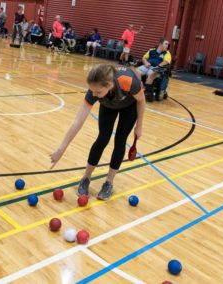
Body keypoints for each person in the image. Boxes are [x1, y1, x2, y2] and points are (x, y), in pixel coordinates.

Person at [50, 64, 145, 200]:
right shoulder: (94, 90)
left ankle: (109, 182)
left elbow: (141, 101)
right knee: (102, 138)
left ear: (109, 85)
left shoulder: (127, 81)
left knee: (120, 140)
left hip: (129, 107)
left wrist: (139, 125)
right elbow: (78, 121)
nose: (94, 95)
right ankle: (85, 178)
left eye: (98, 92)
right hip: (108, 105)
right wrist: (61, 149)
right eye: (92, 91)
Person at [136, 37, 171, 101]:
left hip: (158, 68)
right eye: (165, 44)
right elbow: (144, 58)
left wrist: (158, 66)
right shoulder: (151, 50)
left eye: (167, 44)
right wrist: (146, 63)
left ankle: (147, 93)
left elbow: (166, 61)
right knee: (137, 71)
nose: (167, 45)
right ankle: (138, 89)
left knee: (151, 73)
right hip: (148, 66)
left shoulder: (167, 53)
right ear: (160, 44)